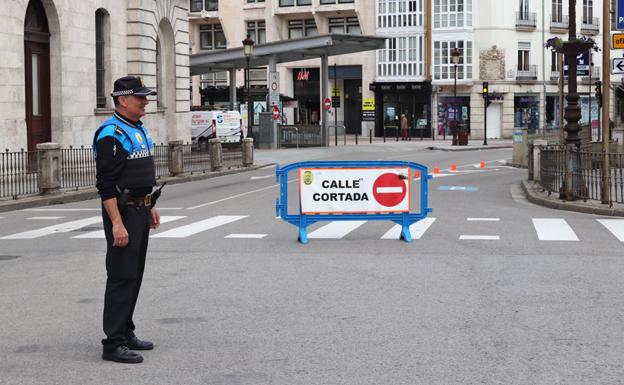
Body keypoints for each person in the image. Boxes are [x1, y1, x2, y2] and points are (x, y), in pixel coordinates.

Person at [93, 76, 161, 364]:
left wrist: (150, 206)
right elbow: (106, 185)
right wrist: (117, 224)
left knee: (134, 274)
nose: (146, 101)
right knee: (121, 276)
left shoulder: (136, 129)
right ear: (122, 100)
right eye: (140, 97)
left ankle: (126, 330)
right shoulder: (111, 134)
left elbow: (140, 174)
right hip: (123, 214)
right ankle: (113, 343)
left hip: (138, 211)